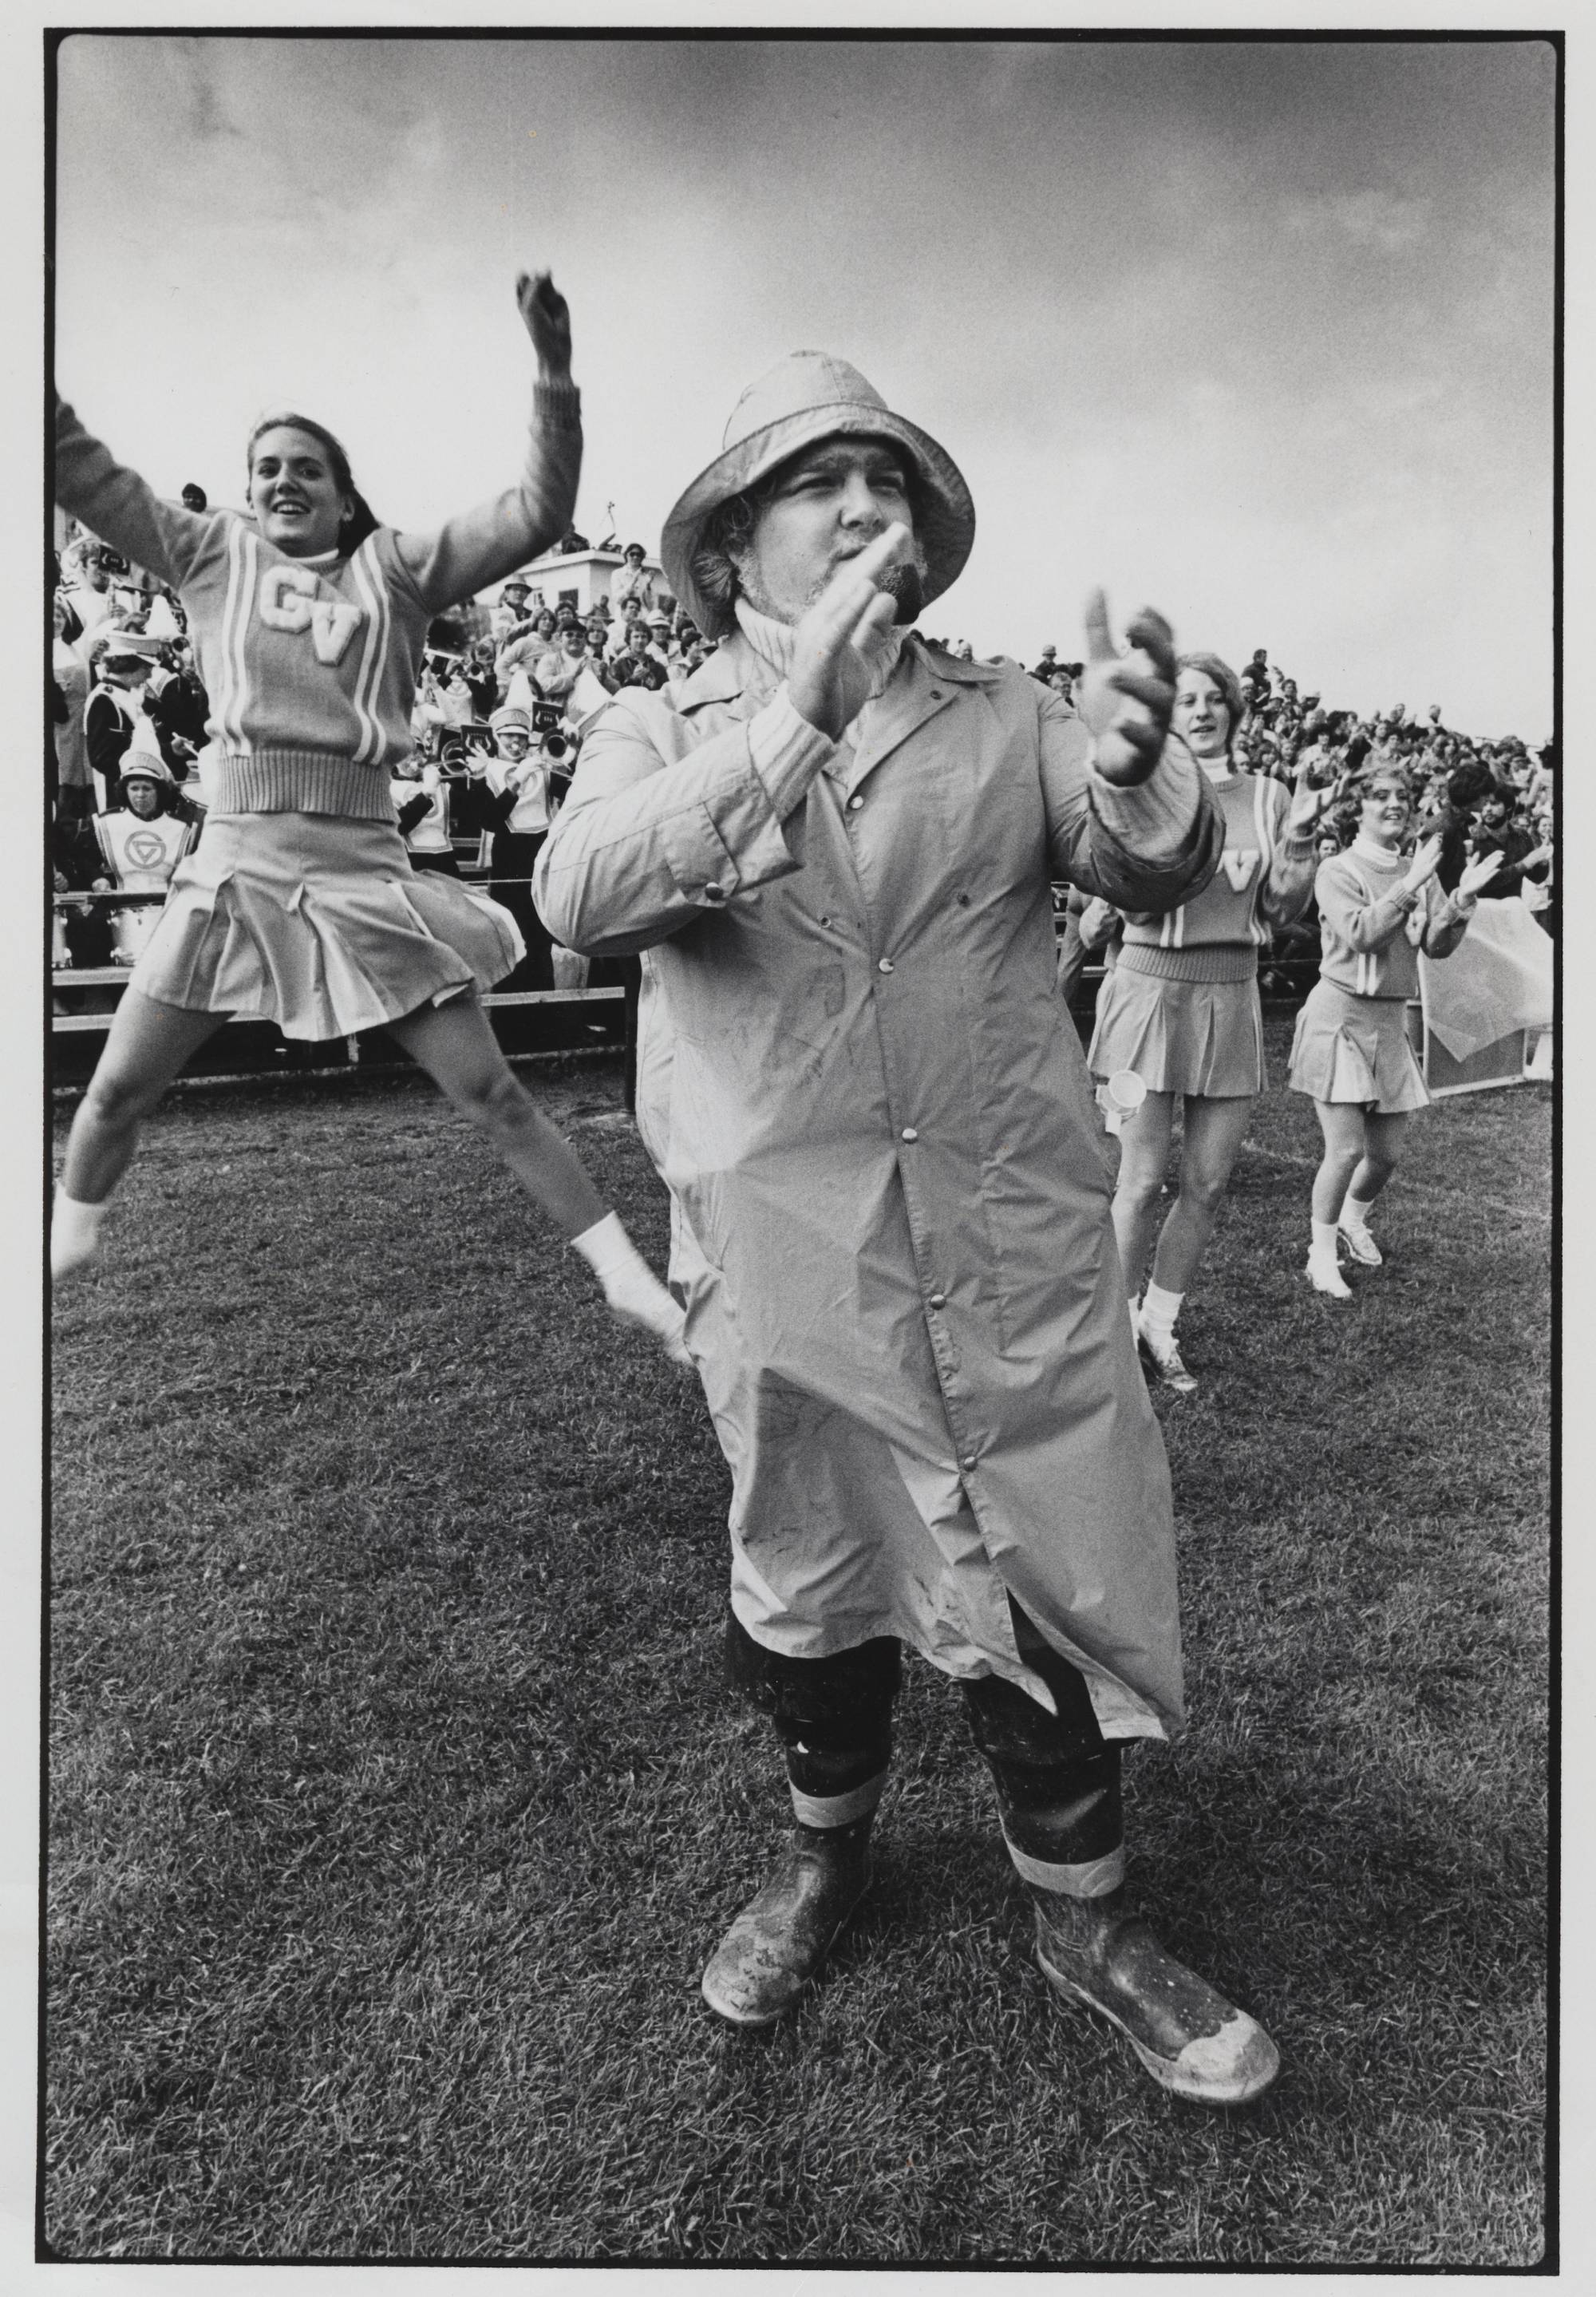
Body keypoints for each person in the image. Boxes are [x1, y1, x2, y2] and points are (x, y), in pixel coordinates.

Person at [535, 350, 1280, 2106]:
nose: (865, 505)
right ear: (733, 548)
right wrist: (789, 720)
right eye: (820, 482)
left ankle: (1087, 1920)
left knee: (1051, 1554)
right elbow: (580, 892)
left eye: (885, 480)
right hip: (788, 1255)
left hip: (1007, 1231)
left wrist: (1147, 771)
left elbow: (1143, 860)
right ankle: (822, 1863)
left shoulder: (1007, 709)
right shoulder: (658, 723)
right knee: (813, 1570)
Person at [49, 269, 686, 1366]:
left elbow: (537, 511)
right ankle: (63, 1244)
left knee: (493, 1092)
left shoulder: (395, 572)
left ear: (345, 497)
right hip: (235, 865)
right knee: (115, 1090)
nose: (282, 480)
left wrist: (553, 370)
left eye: (307, 467)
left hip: (362, 871)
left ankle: (628, 1279)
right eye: (266, 468)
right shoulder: (207, 553)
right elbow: (78, 463)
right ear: (247, 493)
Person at [1088, 652, 1326, 1393]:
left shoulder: (1271, 795)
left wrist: (1301, 838)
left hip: (1232, 992)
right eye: (1186, 700)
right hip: (1148, 995)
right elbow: (1120, 905)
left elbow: (1282, 910)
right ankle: (1115, 1334)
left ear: (1233, 709)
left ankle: (1160, 1326)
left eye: (1214, 698)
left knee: (1210, 1182)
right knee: (1138, 1182)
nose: (1201, 711)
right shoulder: (1145, 791)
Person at [1287, 764, 1501, 1296]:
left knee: (1385, 1155)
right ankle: (1320, 1256)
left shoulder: (1416, 868)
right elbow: (1362, 934)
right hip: (1340, 1018)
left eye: (1402, 795)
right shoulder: (1336, 869)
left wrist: (1461, 901)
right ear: (1356, 808)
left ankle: (1353, 1220)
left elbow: (1435, 946)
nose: (1394, 804)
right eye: (1379, 795)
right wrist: (1411, 885)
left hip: (1389, 1020)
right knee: (1344, 1151)